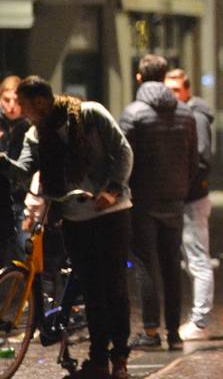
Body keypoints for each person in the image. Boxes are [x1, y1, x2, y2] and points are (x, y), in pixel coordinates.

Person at [16, 76, 134, 379]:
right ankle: (98, 358)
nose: (21, 111)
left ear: (40, 102)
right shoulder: (36, 134)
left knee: (114, 286)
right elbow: (25, 168)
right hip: (74, 218)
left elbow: (123, 152)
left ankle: (120, 356)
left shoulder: (89, 114)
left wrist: (112, 189)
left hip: (110, 213)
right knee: (92, 289)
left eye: (24, 105)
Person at [119, 55, 197, 352]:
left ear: (139, 77)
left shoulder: (133, 114)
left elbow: (124, 159)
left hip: (142, 200)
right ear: (164, 77)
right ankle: (174, 333)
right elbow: (192, 158)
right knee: (171, 265)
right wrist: (182, 187)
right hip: (174, 198)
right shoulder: (185, 113)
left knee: (145, 265)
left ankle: (151, 331)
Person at [164, 69, 215, 341]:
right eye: (168, 90)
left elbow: (202, 158)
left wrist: (181, 186)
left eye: (176, 90)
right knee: (192, 258)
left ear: (187, 91)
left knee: (197, 258)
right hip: (187, 196)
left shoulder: (195, 116)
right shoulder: (184, 115)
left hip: (192, 197)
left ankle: (199, 321)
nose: (172, 95)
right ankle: (197, 318)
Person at [0, 75, 31, 262]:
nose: (11, 106)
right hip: (3, 196)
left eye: (16, 101)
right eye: (6, 100)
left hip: (22, 197)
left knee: (24, 249)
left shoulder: (29, 125)